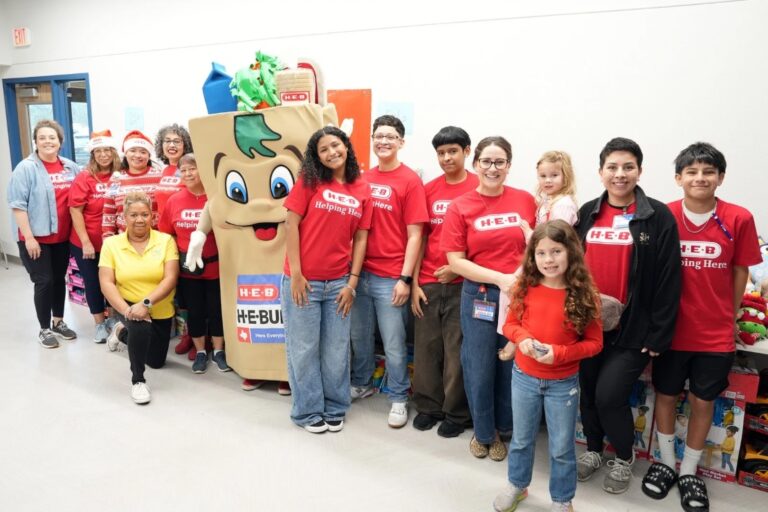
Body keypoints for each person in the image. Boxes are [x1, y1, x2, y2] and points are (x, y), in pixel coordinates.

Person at [641, 143, 760, 509]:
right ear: (678, 178)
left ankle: (690, 471)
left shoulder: (738, 217)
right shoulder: (662, 215)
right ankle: (663, 463)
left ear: (720, 178)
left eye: (708, 171)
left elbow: (741, 270)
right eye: (691, 172)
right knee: (664, 394)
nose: (700, 178)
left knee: (703, 400)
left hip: (714, 334)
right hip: (670, 330)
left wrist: (730, 312)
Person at [574, 137, 682, 494]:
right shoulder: (588, 211)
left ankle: (623, 455)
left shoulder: (657, 216)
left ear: (639, 170)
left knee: (609, 395)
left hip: (633, 328)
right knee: (588, 391)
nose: (620, 175)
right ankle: (592, 449)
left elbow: (669, 278)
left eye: (628, 167)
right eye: (612, 167)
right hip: (587, 325)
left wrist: (659, 333)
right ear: (601, 171)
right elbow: (570, 266)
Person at [493, 220, 603, 512]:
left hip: (563, 384)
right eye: (541, 253)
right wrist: (523, 338)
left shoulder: (583, 294)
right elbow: (510, 324)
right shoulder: (525, 287)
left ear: (571, 253)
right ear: (532, 257)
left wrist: (561, 353)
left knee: (562, 448)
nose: (548, 260)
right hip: (524, 378)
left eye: (556, 251)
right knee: (521, 439)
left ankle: (562, 500)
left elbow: (595, 343)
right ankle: (518, 485)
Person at [442, 136, 537, 461]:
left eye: (500, 162)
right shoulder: (461, 207)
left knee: (511, 363)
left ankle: (506, 428)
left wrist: (519, 278)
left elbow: (537, 245)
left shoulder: (525, 200)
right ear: (476, 164)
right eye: (487, 161)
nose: (493, 168)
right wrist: (500, 279)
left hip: (521, 294)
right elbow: (455, 260)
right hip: (481, 294)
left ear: (509, 166)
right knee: (479, 364)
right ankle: (485, 433)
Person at [281, 126, 372, 433]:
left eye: (336, 145)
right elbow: (290, 225)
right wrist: (295, 273)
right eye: (324, 149)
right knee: (303, 348)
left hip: (338, 283)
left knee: (336, 349)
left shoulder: (362, 188)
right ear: (316, 156)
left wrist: (352, 283)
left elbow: (361, 238)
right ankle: (306, 411)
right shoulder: (310, 182)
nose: (332, 152)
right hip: (303, 281)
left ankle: (335, 405)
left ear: (346, 145)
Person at [349, 115, 428, 428]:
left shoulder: (409, 181)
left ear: (401, 142)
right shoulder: (363, 179)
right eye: (378, 136)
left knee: (394, 343)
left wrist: (405, 279)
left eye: (390, 136)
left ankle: (398, 396)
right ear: (372, 140)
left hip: (390, 276)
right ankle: (363, 381)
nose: (383, 141)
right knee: (360, 336)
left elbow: (416, 235)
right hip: (360, 274)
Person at [411, 126, 477, 438]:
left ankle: (456, 413)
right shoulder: (428, 190)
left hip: (464, 283)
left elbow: (486, 242)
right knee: (426, 349)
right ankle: (428, 407)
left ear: (467, 151)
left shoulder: (479, 187)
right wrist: (412, 283)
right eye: (441, 153)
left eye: (453, 151)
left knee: (457, 351)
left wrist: (459, 269)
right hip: (427, 281)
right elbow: (419, 238)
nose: (447, 157)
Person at [99, 192, 179, 404]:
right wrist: (128, 310)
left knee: (156, 361)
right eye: (133, 215)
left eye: (144, 214)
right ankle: (138, 381)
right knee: (140, 327)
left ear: (152, 216)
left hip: (158, 306)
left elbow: (171, 277)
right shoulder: (111, 244)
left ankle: (120, 331)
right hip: (126, 304)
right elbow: (106, 282)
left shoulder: (165, 241)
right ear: (124, 217)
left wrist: (146, 303)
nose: (140, 219)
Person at [7, 119, 80, 348]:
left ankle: (58, 322)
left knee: (59, 279)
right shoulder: (26, 168)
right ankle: (44, 328)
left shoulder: (70, 167)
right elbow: (18, 205)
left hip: (62, 237)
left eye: (52, 138)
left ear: (60, 142)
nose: (47, 141)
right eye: (42, 138)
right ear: (36, 141)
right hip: (36, 238)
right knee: (44, 281)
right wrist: (29, 237)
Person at [158, 153, 228, 374]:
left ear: (203, 171)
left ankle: (218, 352)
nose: (187, 174)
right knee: (195, 312)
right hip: (188, 270)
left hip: (216, 268)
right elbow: (166, 234)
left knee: (217, 311)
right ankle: (199, 352)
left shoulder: (216, 198)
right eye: (183, 170)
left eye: (192, 169)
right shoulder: (174, 200)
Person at [69, 130, 122, 343]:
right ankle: (99, 323)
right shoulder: (85, 177)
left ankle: (111, 318)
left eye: (107, 150)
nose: (103, 155)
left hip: (112, 241)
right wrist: (86, 243)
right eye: (98, 151)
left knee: (112, 282)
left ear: (113, 152)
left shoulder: (120, 174)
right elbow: (75, 210)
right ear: (93, 155)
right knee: (93, 282)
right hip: (87, 241)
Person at [102, 130, 163, 238]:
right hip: (124, 239)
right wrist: (107, 236)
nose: (137, 155)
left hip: (156, 239)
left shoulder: (160, 176)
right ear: (125, 154)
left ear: (149, 155)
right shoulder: (116, 179)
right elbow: (109, 211)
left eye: (143, 152)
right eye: (133, 150)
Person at [534, 151, 578, 225]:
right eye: (543, 176)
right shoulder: (546, 201)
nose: (548, 180)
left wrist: (529, 233)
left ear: (566, 176)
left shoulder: (563, 205)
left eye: (554, 175)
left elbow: (558, 235)